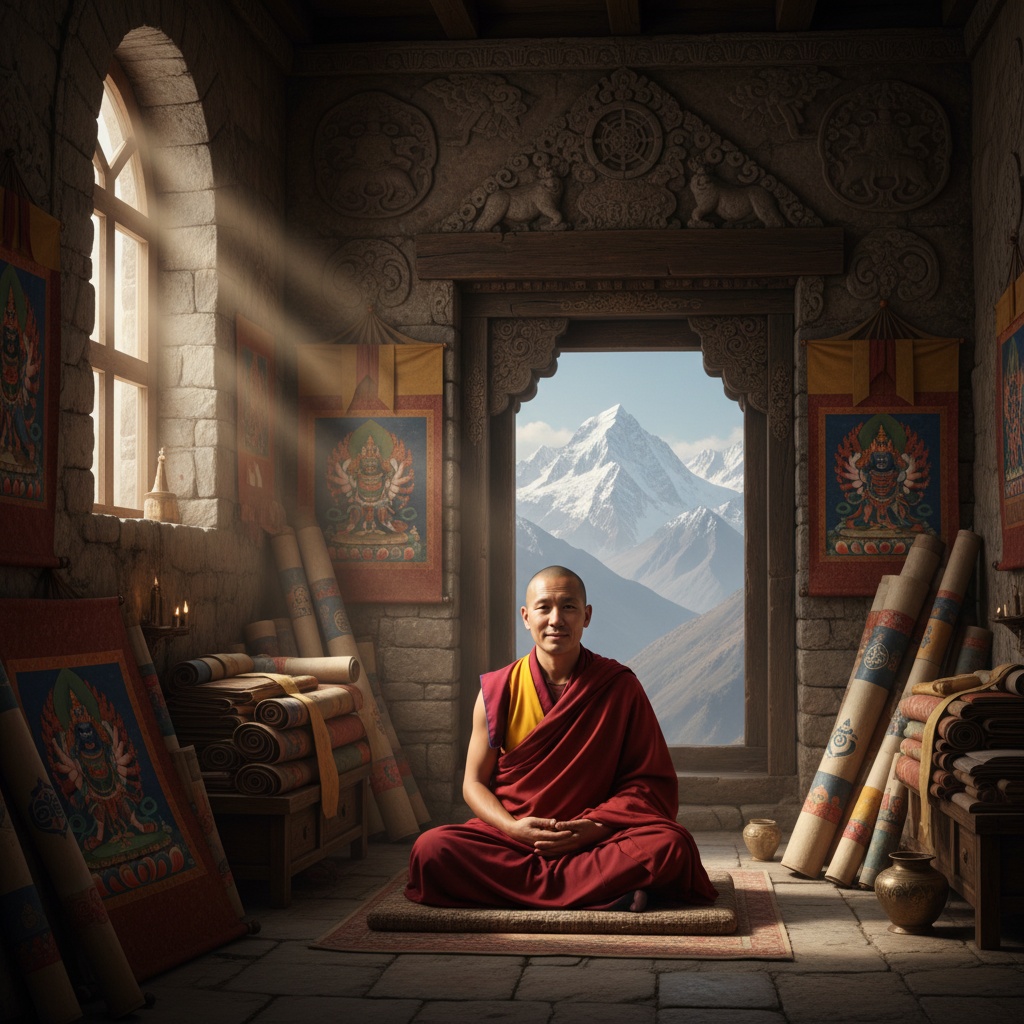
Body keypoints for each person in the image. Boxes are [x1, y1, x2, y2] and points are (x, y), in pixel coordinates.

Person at [405, 565, 718, 911]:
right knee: (431, 849)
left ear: (586, 616)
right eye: (544, 608)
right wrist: (513, 829)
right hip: (518, 838)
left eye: (568, 607)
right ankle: (607, 893)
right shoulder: (499, 690)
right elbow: (474, 784)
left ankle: (530, 890)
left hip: (593, 838)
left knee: (672, 845)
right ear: (526, 617)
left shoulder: (618, 686)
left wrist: (592, 827)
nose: (556, 619)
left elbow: (649, 785)